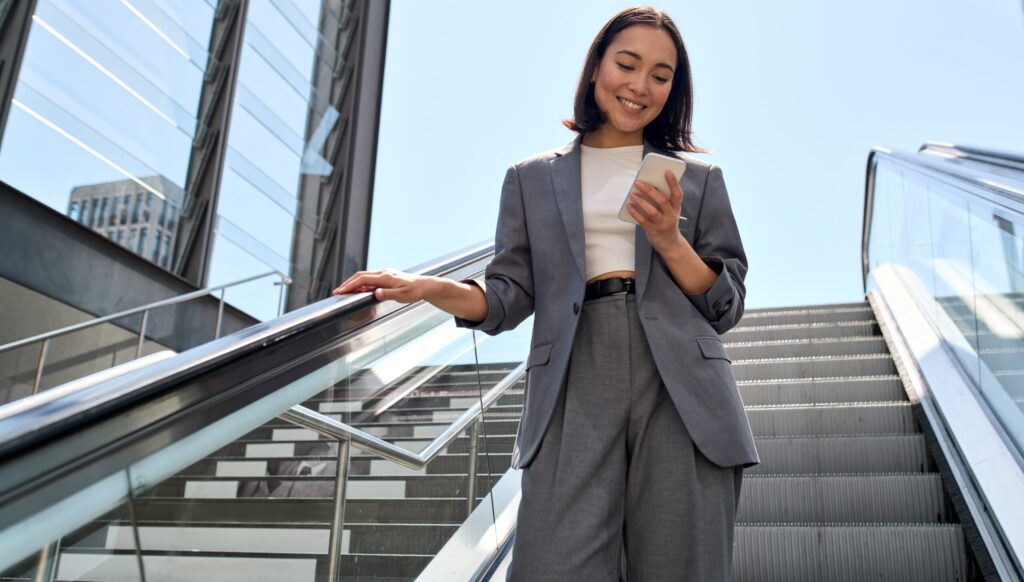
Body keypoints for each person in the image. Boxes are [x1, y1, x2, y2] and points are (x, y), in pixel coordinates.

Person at [333, 5, 760, 580]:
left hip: (682, 385)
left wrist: (669, 241)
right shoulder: (532, 178)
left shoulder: (698, 180)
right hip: (572, 377)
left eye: (661, 76)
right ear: (594, 69)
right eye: (627, 65)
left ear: (674, 89)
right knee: (554, 564)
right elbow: (509, 294)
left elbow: (726, 305)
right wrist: (428, 288)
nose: (640, 86)